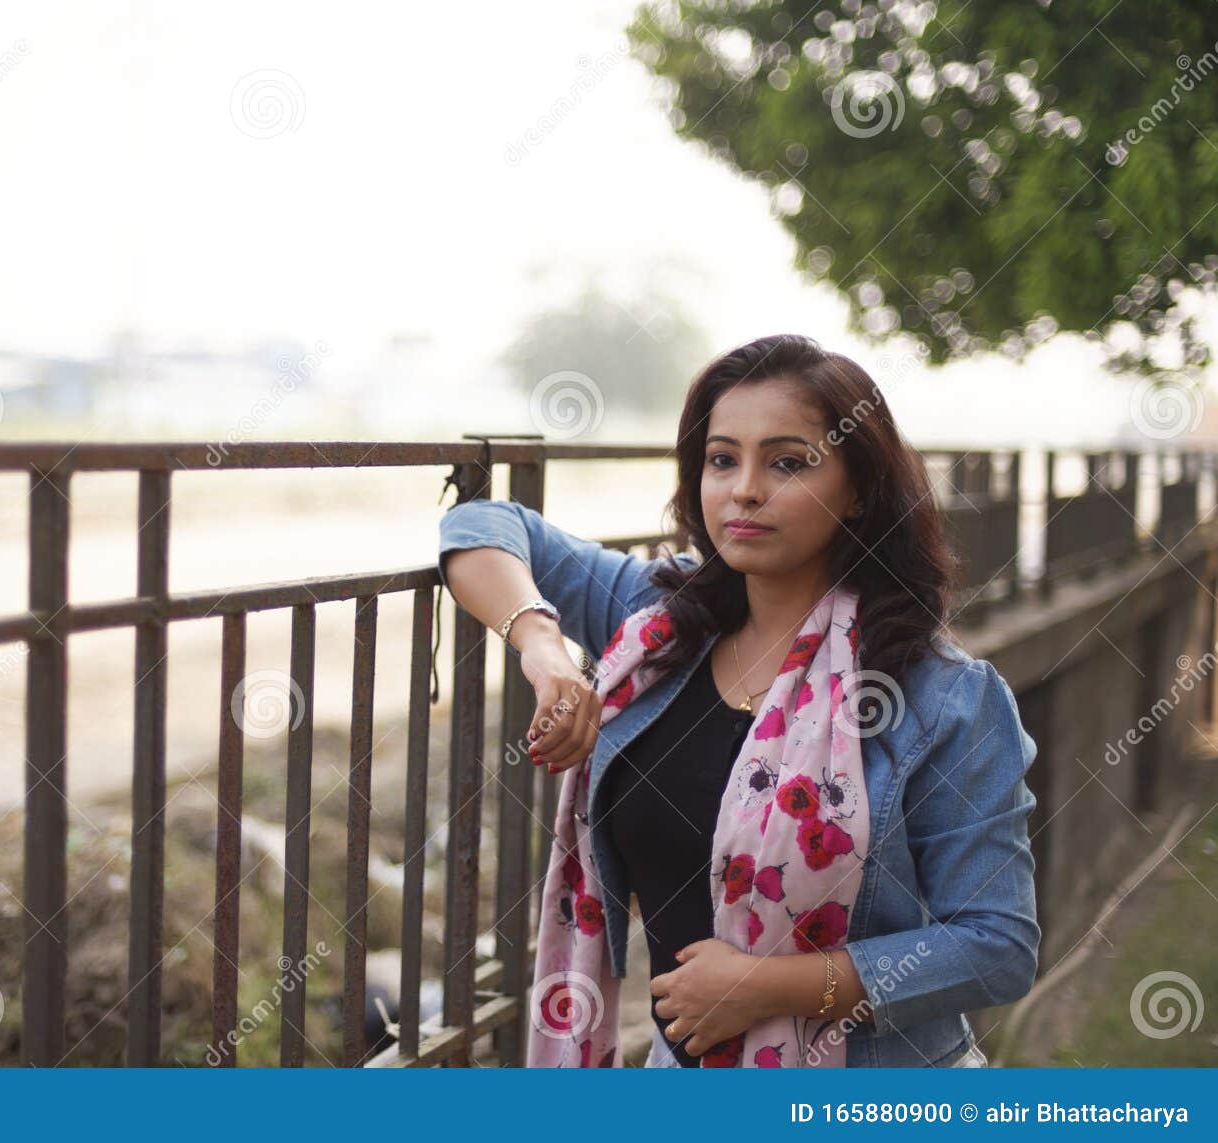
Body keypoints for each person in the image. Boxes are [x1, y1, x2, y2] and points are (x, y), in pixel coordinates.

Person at [437, 334, 1039, 1067]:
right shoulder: (661, 625)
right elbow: (481, 525)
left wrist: (771, 988)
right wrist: (543, 649)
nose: (745, 489)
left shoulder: (940, 695)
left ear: (858, 489)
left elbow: (995, 947)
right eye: (723, 460)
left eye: (787, 462)